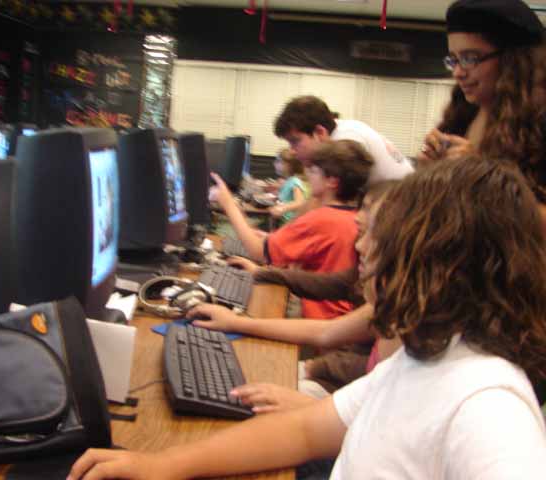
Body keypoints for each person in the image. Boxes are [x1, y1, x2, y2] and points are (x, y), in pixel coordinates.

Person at [68, 157, 546, 480]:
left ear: (435, 259)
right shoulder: (424, 359)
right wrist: (163, 465)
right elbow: (302, 431)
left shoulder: (489, 409)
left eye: (378, 238)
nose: (360, 248)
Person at [193, 182, 400, 411]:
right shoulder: (388, 297)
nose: (359, 244)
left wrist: (316, 371)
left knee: (235, 388)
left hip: (336, 389)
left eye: (370, 233)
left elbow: (259, 250)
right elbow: (326, 292)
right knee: (237, 376)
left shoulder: (400, 313)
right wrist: (256, 284)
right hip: (340, 386)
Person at [211, 139, 372, 319]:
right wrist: (269, 244)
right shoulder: (352, 217)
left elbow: (258, 251)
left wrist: (227, 203)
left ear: (332, 181)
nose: (308, 177)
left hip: (316, 316)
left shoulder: (322, 218)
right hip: (339, 314)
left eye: (314, 171)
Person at [418, 0, 546, 213]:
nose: (458, 72)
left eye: (470, 58)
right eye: (453, 60)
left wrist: (482, 177)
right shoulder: (463, 115)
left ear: (512, 61)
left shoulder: (539, 124)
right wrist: (431, 173)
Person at [274, 95, 413, 182]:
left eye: (295, 141)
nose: (292, 151)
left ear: (320, 132)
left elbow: (323, 201)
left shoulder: (346, 142)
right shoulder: (341, 130)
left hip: (406, 206)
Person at [268, 148, 307, 224]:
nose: (274, 163)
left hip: (289, 223)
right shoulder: (288, 180)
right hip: (282, 221)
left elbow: (300, 202)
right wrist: (276, 196)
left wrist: (282, 208)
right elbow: (286, 199)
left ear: (289, 166)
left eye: (278, 161)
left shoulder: (294, 181)